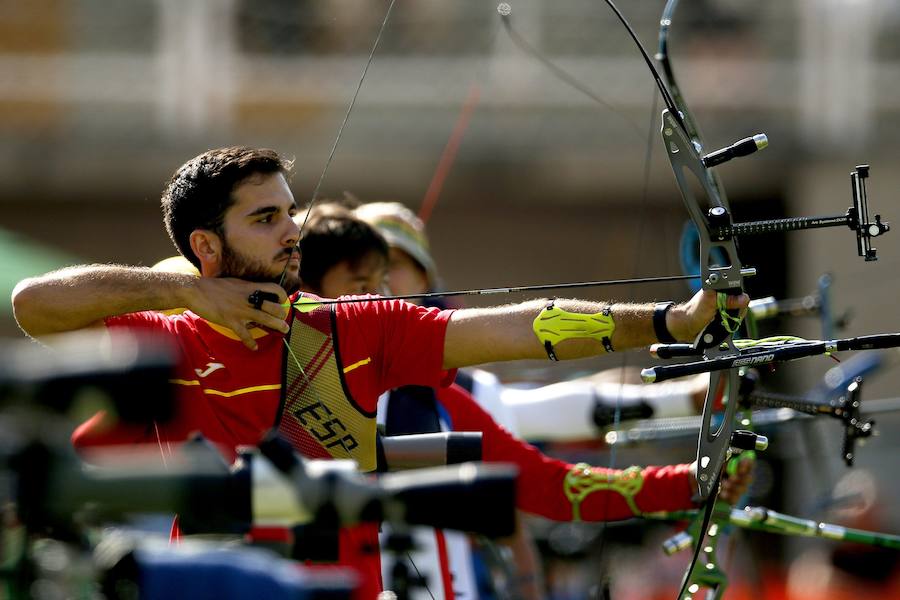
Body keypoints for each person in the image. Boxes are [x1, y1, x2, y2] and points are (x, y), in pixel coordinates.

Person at [11, 146, 748, 598]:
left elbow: (515, 331)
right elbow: (32, 306)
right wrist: (183, 291)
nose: (290, 230)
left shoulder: (359, 330)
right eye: (264, 218)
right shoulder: (166, 337)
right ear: (206, 244)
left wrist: (667, 324)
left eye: (290, 212)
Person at [298, 202, 752, 599]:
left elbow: (550, 484)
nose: (379, 294)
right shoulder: (271, 386)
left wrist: (690, 481)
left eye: (389, 272)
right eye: (361, 280)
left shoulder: (444, 399)